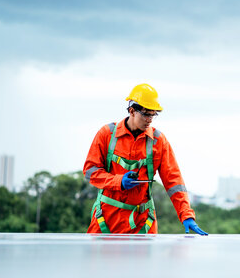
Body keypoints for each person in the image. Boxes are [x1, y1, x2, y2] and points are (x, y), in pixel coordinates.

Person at [83, 83, 208, 235]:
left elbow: (174, 182)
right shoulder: (107, 135)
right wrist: (118, 181)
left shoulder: (158, 141)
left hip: (142, 223)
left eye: (153, 114)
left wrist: (186, 215)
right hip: (106, 220)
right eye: (146, 114)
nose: (150, 120)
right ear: (132, 111)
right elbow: (90, 171)